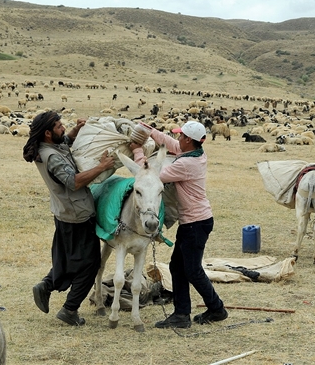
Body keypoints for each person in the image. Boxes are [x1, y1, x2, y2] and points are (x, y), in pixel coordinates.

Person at [130, 120, 228, 328]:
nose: (177, 139)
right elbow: (170, 144)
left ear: (189, 140)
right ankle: (182, 314)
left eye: (181, 136)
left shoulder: (186, 164)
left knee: (192, 270)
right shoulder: (195, 153)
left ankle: (216, 308)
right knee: (178, 267)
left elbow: (150, 177)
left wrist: (138, 152)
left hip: (196, 223)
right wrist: (150, 131)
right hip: (194, 222)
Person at [23, 111, 115, 326]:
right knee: (90, 265)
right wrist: (101, 167)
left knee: (67, 257)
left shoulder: (46, 148)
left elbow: (64, 141)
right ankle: (69, 309)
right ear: (47, 133)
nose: (63, 128)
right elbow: (73, 182)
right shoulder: (52, 157)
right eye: (58, 126)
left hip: (65, 212)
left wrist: (75, 131)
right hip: (77, 215)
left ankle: (46, 285)